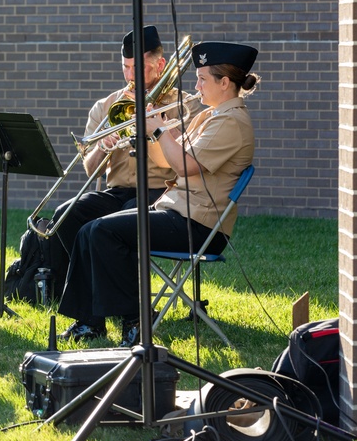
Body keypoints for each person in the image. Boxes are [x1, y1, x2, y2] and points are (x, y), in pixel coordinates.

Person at [57, 41, 259, 347]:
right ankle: (89, 322)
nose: (196, 85)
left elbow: (183, 164)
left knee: (104, 232)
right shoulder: (210, 116)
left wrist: (160, 131)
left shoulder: (230, 121)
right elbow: (168, 158)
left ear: (225, 83)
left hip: (198, 224)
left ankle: (136, 324)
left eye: (203, 79)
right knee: (89, 229)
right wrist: (152, 127)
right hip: (179, 213)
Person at [46, 26, 181, 297]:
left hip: (162, 193)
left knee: (124, 218)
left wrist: (156, 122)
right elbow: (89, 169)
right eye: (126, 67)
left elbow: (179, 162)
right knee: (66, 214)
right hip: (117, 192)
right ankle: (88, 311)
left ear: (160, 65)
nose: (130, 76)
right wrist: (102, 146)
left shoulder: (180, 104)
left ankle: (130, 313)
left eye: (138, 68)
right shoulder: (107, 106)